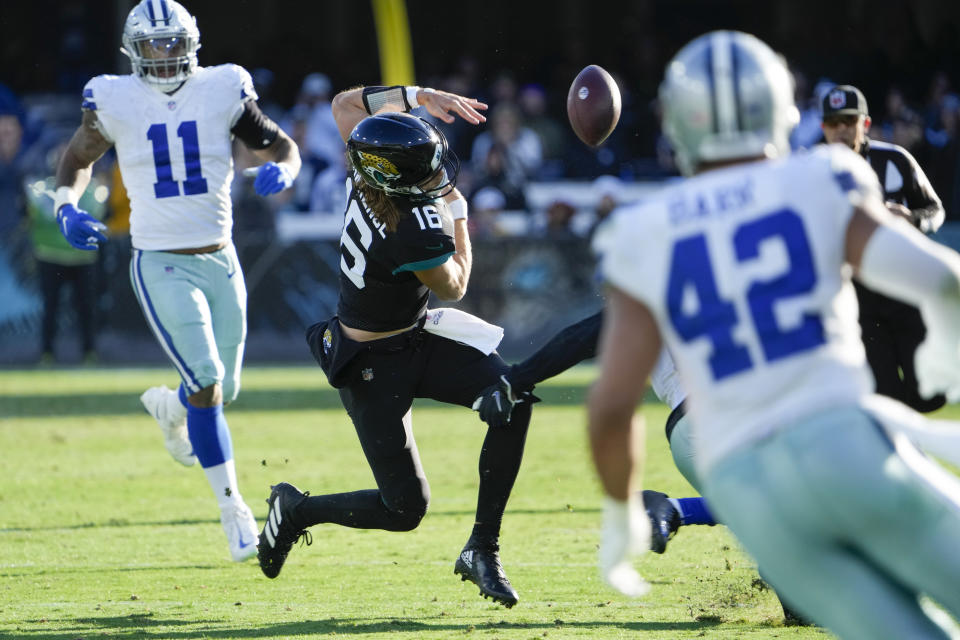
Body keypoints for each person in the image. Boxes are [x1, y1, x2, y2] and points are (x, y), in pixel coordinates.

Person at [589, 30, 960, 638]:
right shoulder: (824, 177)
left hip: (752, 489)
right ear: (781, 110)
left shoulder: (641, 230)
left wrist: (618, 516)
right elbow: (942, 279)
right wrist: (947, 348)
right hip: (841, 439)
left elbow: (609, 408)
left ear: (678, 125)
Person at [256, 83, 534, 609]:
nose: (437, 174)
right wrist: (458, 212)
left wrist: (418, 96)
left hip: (415, 339)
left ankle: (483, 547)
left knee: (510, 397)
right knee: (404, 509)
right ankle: (296, 510)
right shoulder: (410, 227)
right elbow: (457, 283)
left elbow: (345, 107)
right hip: (372, 368)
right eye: (427, 170)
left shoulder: (367, 175)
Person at [53, 0, 301, 562]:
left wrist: (285, 168)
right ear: (133, 49)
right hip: (159, 260)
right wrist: (65, 205)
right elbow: (76, 158)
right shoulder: (113, 97)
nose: (164, 55)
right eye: (153, 45)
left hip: (222, 257)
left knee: (222, 390)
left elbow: (281, 145)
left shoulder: (222, 87)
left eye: (172, 44)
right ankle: (234, 511)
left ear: (191, 43)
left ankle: (173, 411)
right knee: (209, 378)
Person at [821, 84, 947, 412]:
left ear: (865, 123)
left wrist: (911, 220)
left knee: (929, 394)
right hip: (858, 300)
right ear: (823, 128)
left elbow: (935, 211)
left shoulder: (895, 159)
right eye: (833, 122)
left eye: (849, 120)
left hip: (905, 291)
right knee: (886, 400)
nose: (841, 130)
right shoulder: (812, 175)